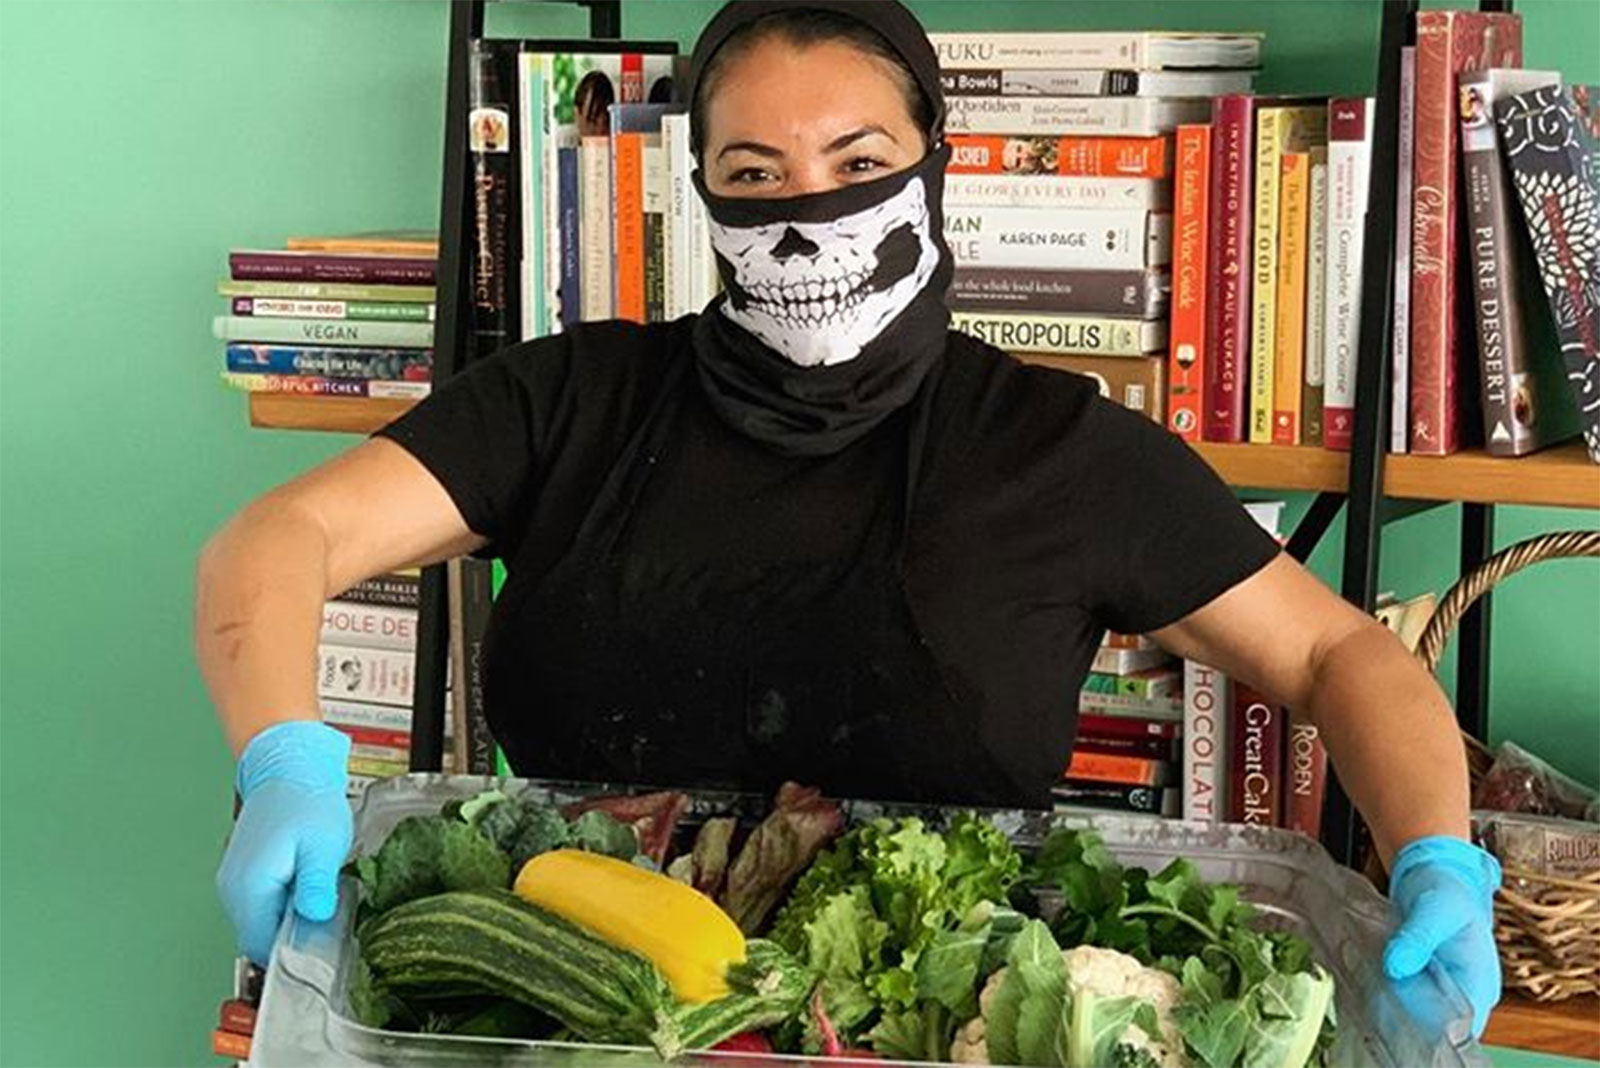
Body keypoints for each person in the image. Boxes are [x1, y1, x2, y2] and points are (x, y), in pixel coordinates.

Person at [197, 0, 1503, 1039]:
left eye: (858, 162)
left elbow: (1339, 656)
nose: (805, 208)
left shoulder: (1061, 452)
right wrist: (286, 761)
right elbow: (279, 541)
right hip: (561, 1017)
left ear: (934, 164)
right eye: (753, 170)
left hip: (927, 1022)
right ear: (699, 188)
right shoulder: (568, 401)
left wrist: (1437, 858)